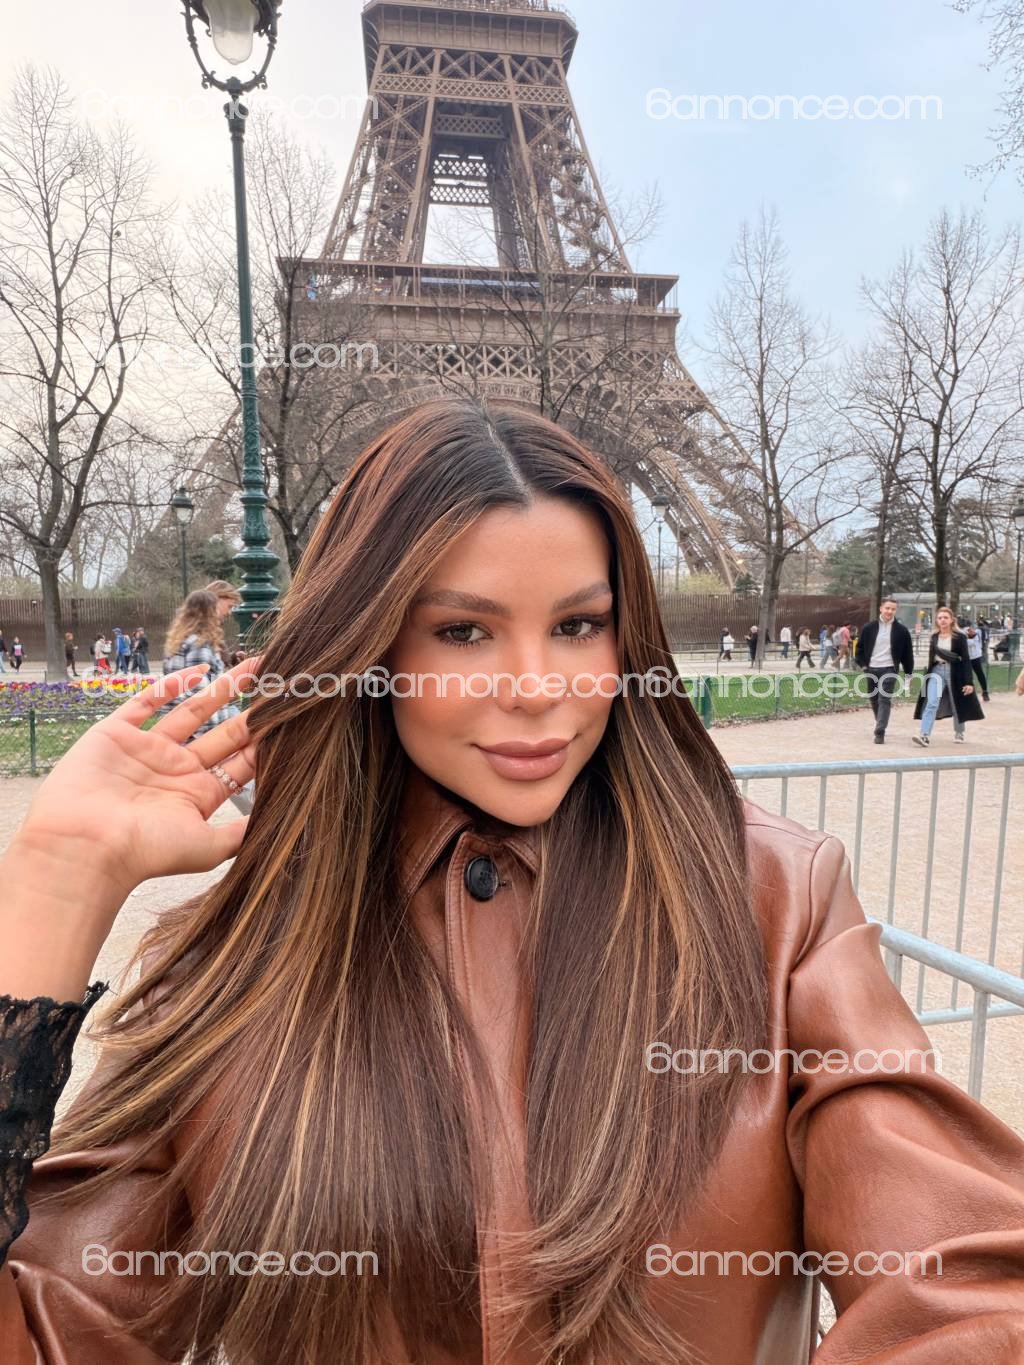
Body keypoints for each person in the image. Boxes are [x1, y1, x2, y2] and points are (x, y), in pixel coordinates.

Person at [1, 399, 1023, 1365]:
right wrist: (57, 883)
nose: (536, 688)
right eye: (463, 631)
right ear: (371, 645)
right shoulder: (240, 953)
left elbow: (965, 1284)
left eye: (579, 626)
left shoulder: (779, 900)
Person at [160, 591, 231, 738]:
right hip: (200, 731)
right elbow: (199, 692)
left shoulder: (178, 642)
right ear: (210, 613)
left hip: (176, 724)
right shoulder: (199, 644)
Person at [912, 606, 984, 746]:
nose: (943, 620)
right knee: (931, 702)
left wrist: (969, 682)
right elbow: (931, 658)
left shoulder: (959, 637)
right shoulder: (934, 637)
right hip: (936, 671)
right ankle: (924, 735)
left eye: (946, 617)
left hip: (955, 672)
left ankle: (959, 732)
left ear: (952, 620)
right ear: (936, 621)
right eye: (940, 618)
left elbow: (965, 659)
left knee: (956, 701)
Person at [854, 600, 915, 745]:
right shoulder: (868, 628)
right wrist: (864, 666)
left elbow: (908, 654)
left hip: (889, 669)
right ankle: (880, 723)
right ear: (881, 608)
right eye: (887, 608)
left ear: (896, 611)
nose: (889, 611)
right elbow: (859, 649)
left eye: (893, 609)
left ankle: (880, 731)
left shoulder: (902, 631)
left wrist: (908, 673)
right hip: (871, 669)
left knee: (884, 699)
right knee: (874, 699)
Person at [965, 625, 990, 703]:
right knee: (968, 676)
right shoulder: (963, 633)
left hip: (976, 657)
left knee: (980, 674)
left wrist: (966, 638)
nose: (971, 631)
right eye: (969, 630)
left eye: (972, 629)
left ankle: (985, 692)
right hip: (967, 658)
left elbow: (971, 643)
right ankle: (970, 694)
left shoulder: (977, 633)